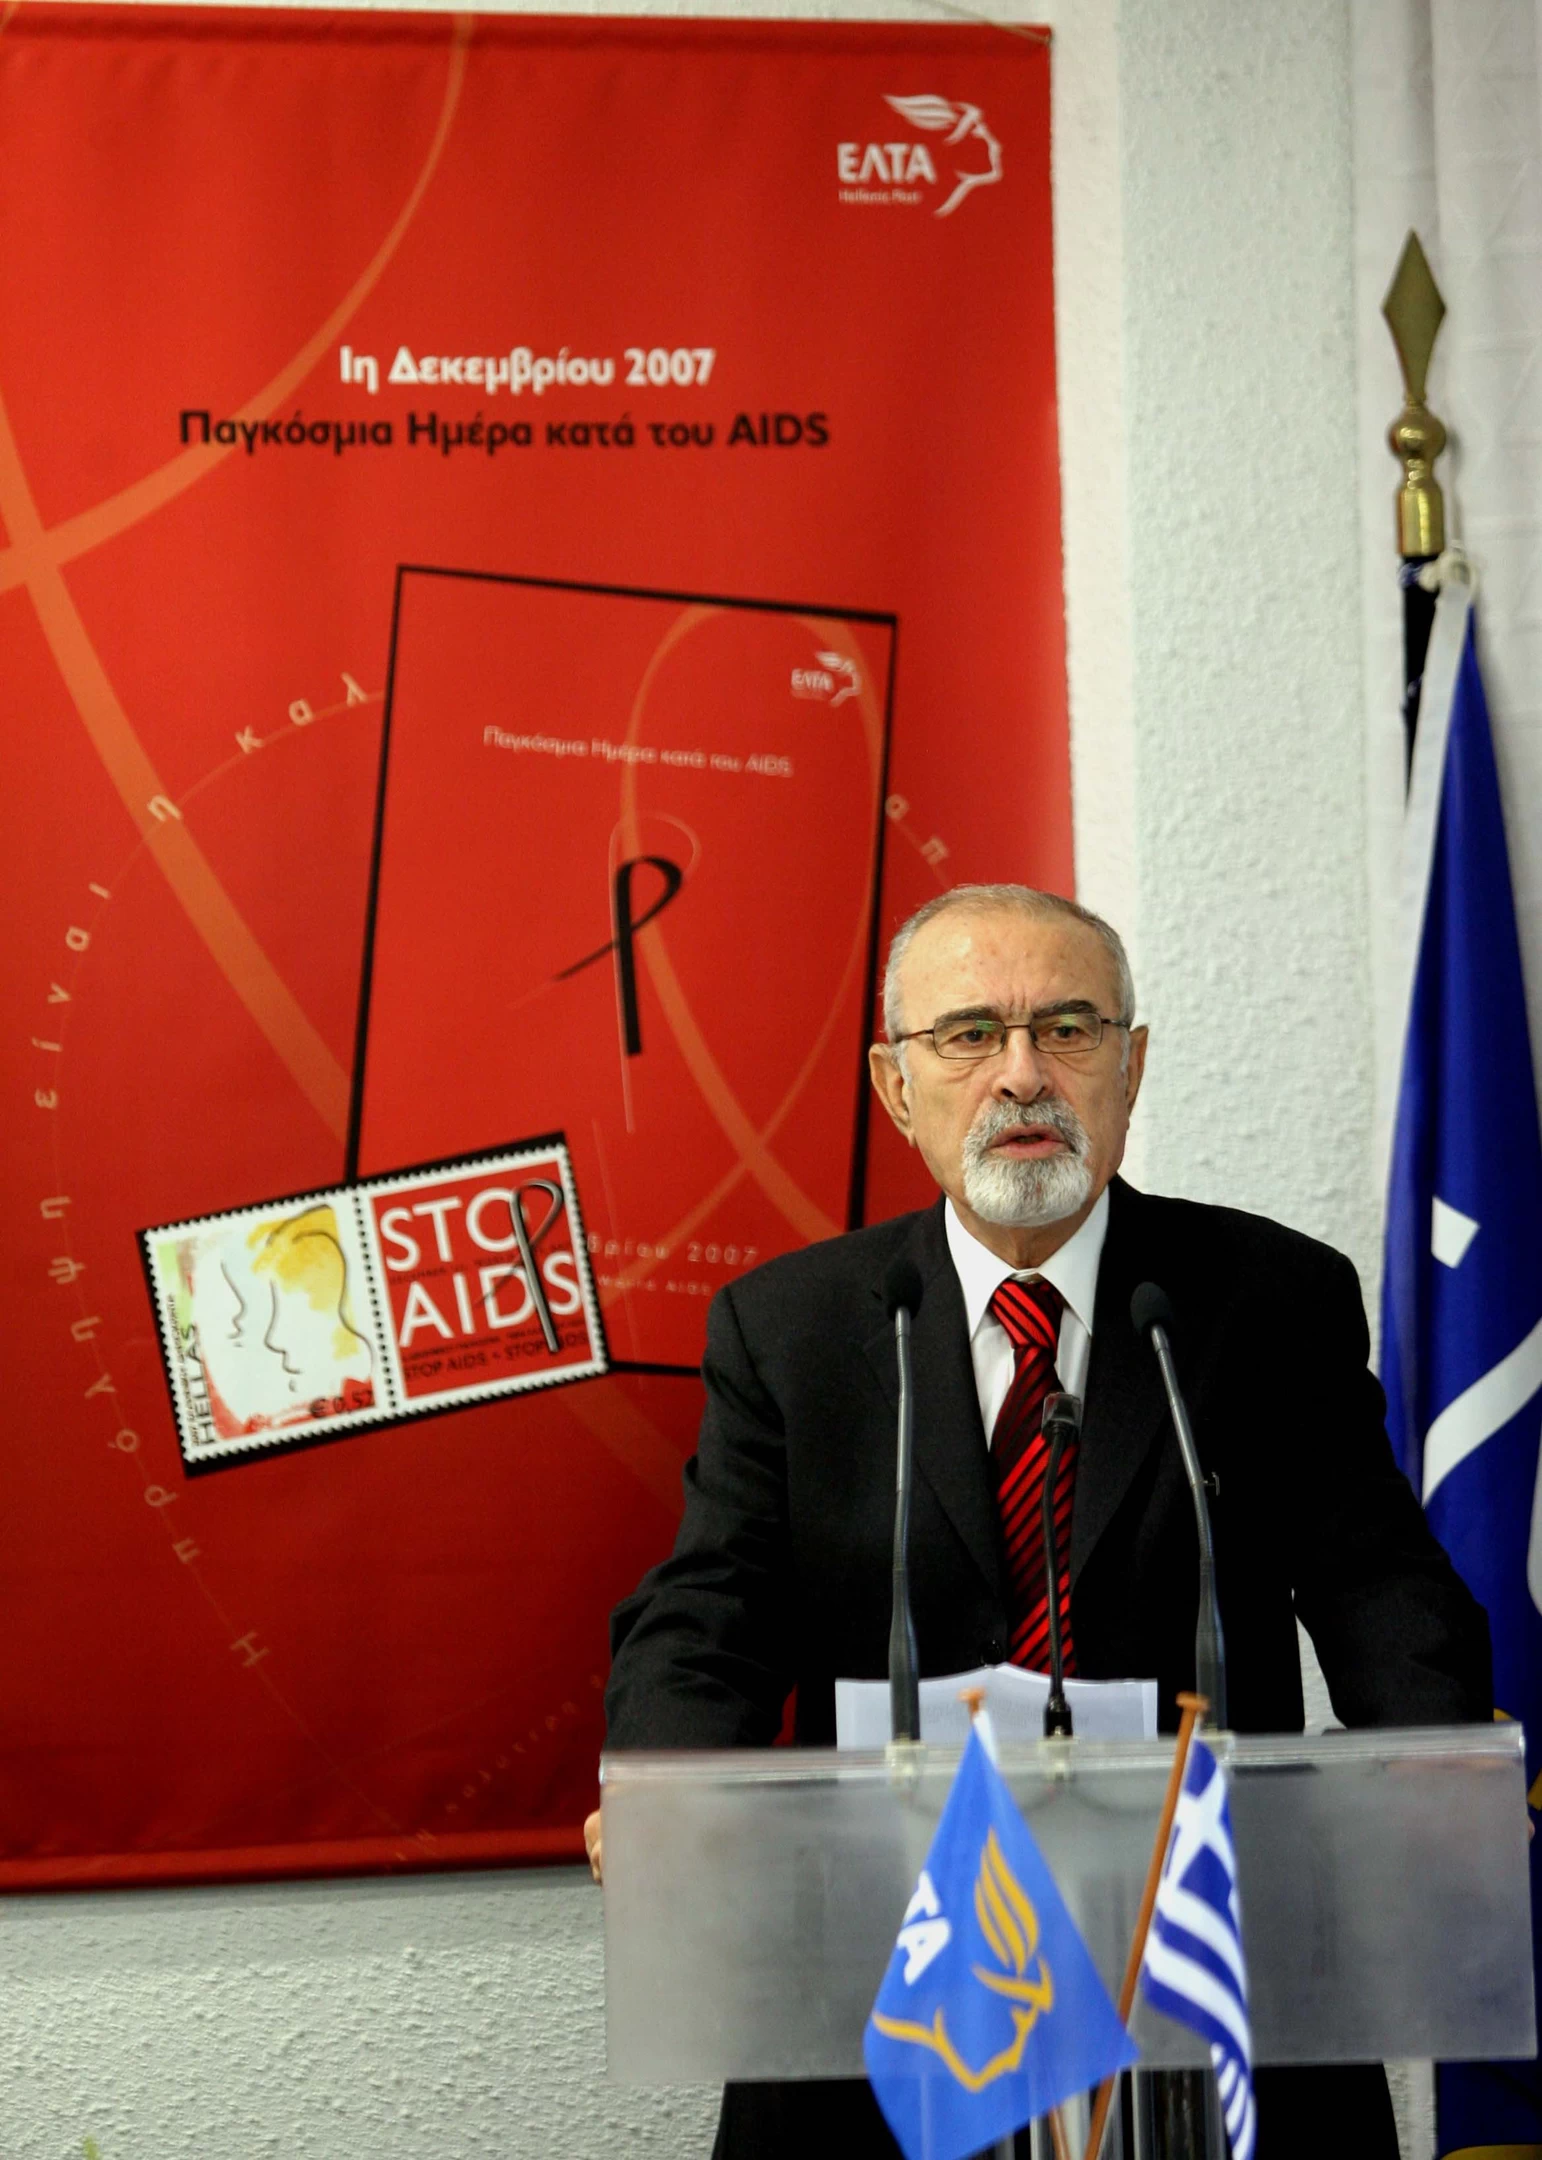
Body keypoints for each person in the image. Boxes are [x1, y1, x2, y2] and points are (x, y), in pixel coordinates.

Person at [590, 883, 1491, 2159]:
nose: (1021, 1075)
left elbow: (1375, 1580)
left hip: (1202, 1972)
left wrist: (1437, 1755)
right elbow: (710, 1613)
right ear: (897, 1087)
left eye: (1067, 1029)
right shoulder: (794, 1329)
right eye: (968, 1035)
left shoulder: (1265, 1299)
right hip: (894, 1976)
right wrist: (667, 1790)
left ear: (1131, 1068)